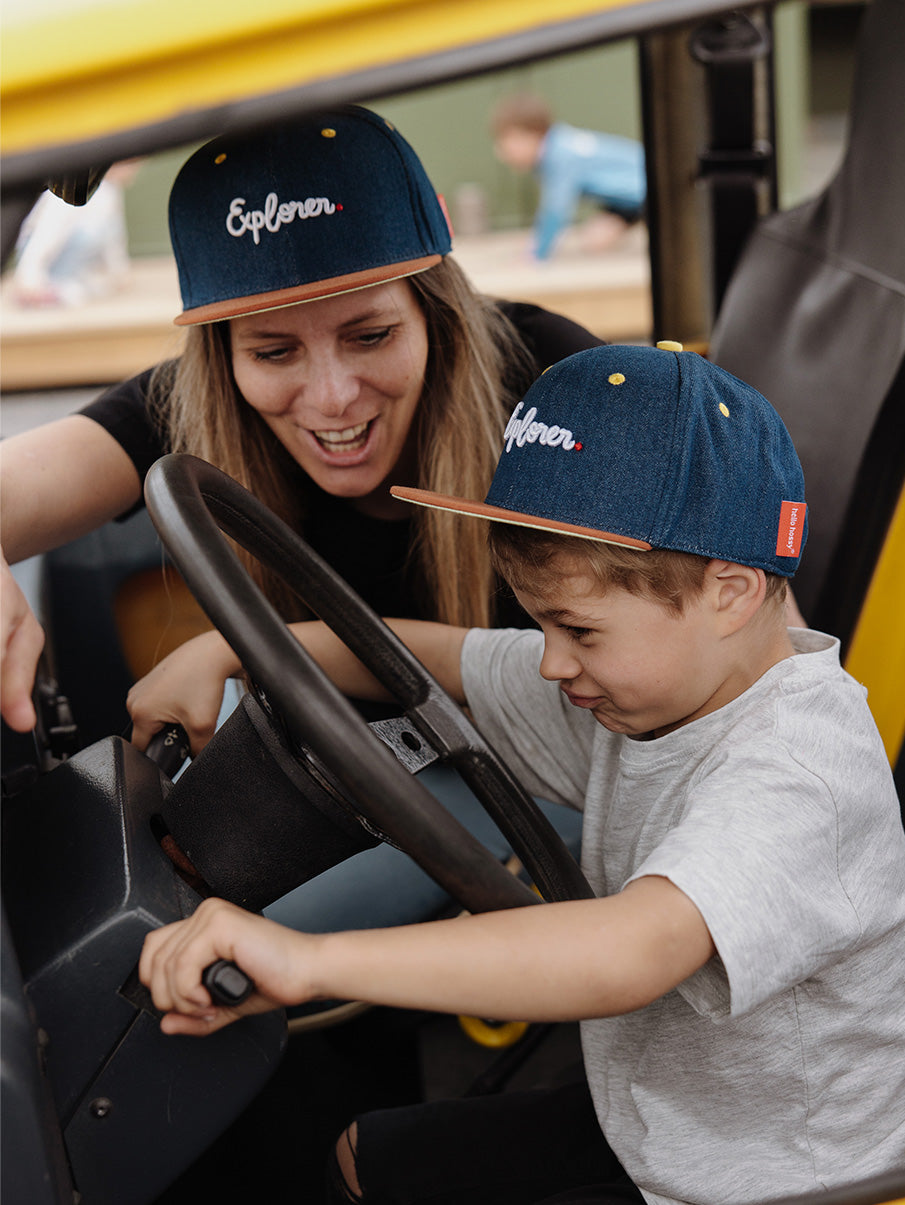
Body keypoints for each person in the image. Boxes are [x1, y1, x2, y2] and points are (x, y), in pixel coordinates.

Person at [139, 343, 905, 1205]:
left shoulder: (800, 770)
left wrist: (308, 960)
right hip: (669, 1114)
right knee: (361, 1159)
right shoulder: (640, 689)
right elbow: (425, 658)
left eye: (580, 631)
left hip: (789, 1180)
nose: (553, 664)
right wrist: (223, 646)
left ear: (731, 592)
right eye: (540, 626)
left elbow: (631, 950)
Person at [0, 104, 600, 929]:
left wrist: (250, 647)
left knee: (178, 944)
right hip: (348, 780)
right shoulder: (193, 405)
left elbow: (612, 679)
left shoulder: (557, 390)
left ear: (434, 310)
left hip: (550, 777)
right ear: (222, 353)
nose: (330, 396)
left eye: (370, 334)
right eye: (273, 352)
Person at [491, 92, 646, 261]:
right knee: (595, 242)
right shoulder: (557, 144)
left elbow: (555, 211)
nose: (503, 152)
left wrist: (536, 255)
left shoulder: (560, 155)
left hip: (645, 195)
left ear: (532, 134)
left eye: (509, 141)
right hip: (625, 205)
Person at [9, 159, 139, 308]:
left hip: (72, 273)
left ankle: (62, 288)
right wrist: (29, 278)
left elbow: (114, 240)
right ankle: (46, 291)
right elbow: (47, 234)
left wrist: (119, 272)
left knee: (91, 288)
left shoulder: (110, 191)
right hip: (45, 266)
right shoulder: (74, 189)